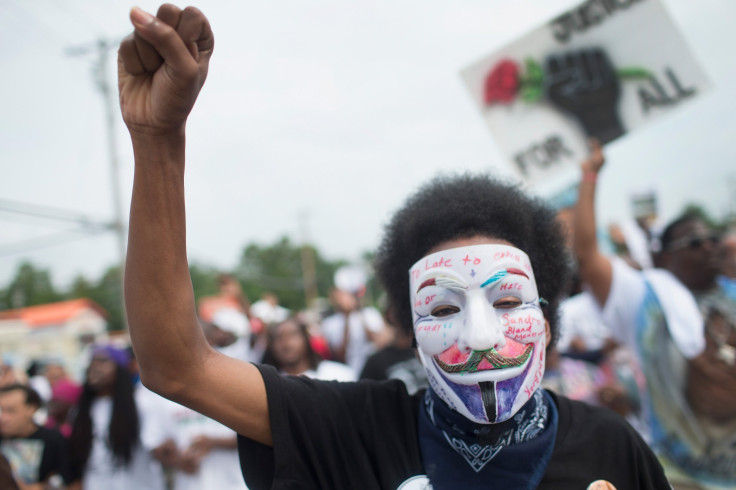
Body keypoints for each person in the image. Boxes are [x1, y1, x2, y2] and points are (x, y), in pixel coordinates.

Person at [118, 5, 668, 489]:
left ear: (547, 321)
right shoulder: (355, 430)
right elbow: (176, 367)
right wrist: (158, 141)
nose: (480, 337)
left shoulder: (612, 449)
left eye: (506, 303)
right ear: (409, 328)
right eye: (444, 308)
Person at [573, 140, 736, 489]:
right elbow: (587, 254)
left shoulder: (729, 293)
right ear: (663, 258)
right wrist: (589, 176)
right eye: (693, 243)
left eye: (711, 238)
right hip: (688, 475)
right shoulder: (645, 298)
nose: (708, 246)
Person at [68, 345, 169, 490]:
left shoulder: (141, 402)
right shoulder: (79, 410)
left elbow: (155, 443)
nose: (94, 366)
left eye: (102, 361)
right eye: (92, 362)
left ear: (120, 368)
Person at [0, 384, 70, 489]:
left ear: (31, 409)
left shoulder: (53, 439)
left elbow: (70, 481)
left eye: (11, 410)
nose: (3, 418)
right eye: (1, 410)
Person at [262, 317, 356, 381]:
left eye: (293, 335)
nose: (287, 344)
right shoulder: (267, 384)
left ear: (306, 338)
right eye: (279, 338)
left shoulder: (340, 374)